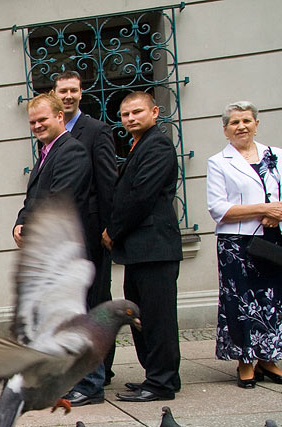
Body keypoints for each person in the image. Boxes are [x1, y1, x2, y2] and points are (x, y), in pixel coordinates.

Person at [103, 91, 182, 402]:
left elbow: (141, 195)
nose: (130, 118)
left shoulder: (158, 144)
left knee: (158, 319)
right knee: (141, 317)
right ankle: (155, 376)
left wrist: (113, 231)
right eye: (125, 114)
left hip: (155, 248)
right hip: (140, 250)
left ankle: (162, 382)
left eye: (137, 112)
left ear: (154, 112)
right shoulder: (139, 146)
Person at [205, 101, 282, 387]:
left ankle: (269, 357)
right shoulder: (219, 162)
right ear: (225, 129)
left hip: (273, 237)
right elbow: (218, 209)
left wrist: (278, 213)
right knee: (241, 301)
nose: (241, 126)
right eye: (234, 123)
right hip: (236, 243)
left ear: (256, 123)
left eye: (246, 121)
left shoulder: (275, 155)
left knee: (273, 299)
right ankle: (245, 360)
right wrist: (264, 210)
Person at [52, 71, 119, 403]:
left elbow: (107, 183)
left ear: (81, 94)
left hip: (91, 235)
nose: (68, 95)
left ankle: (94, 380)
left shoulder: (95, 130)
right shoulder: (51, 135)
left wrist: (109, 228)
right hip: (66, 238)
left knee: (92, 304)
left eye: (73, 90)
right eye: (62, 90)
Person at [13, 94, 91, 247]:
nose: (37, 126)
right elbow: (32, 200)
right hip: (45, 248)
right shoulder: (45, 153)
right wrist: (19, 224)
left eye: (42, 120)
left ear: (59, 116)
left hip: (64, 247)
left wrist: (27, 230)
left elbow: (59, 200)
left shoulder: (72, 150)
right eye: (32, 122)